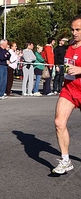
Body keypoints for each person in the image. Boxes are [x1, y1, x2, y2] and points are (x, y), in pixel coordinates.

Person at [52, 15, 81, 174]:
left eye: (78, 30)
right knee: (59, 122)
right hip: (69, 89)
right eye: (72, 29)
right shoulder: (70, 45)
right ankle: (65, 160)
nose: (74, 33)